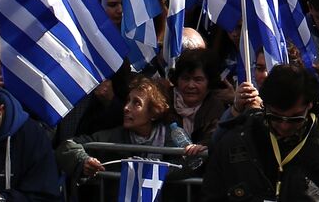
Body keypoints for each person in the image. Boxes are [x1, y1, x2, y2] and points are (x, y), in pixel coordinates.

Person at [201, 62, 319, 202]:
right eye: (275, 117)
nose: (284, 126)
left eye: (295, 118)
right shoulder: (237, 138)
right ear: (264, 105)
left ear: (310, 105)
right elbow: (213, 194)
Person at [56, 76, 206, 181]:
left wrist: (153, 173)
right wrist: (84, 161)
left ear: (154, 113)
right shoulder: (113, 137)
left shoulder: (173, 137)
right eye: (128, 101)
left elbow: (194, 165)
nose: (126, 108)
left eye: (136, 103)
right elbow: (68, 146)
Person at [169, 49, 229, 143]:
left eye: (198, 80)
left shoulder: (216, 109)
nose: (191, 85)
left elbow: (212, 142)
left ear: (209, 82)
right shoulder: (164, 103)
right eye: (186, 78)